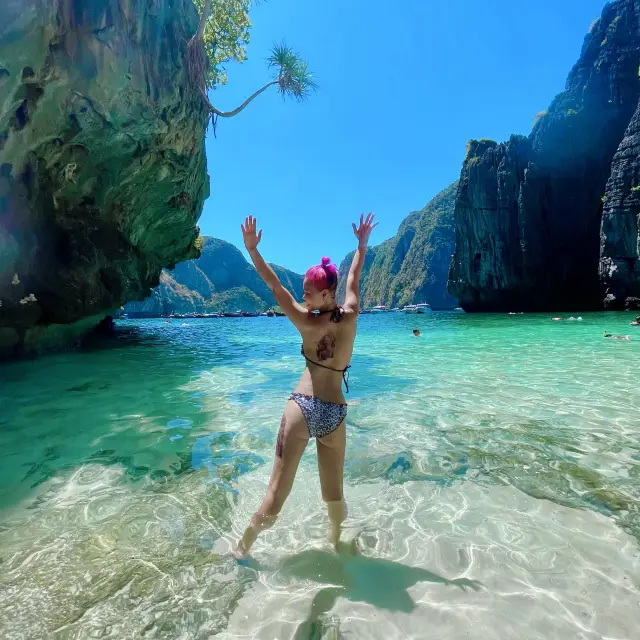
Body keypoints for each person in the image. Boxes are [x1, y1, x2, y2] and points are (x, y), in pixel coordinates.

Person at [234, 213, 378, 558]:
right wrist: (361, 245)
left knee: (275, 494)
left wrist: (253, 251)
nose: (304, 298)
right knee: (335, 496)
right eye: (303, 293)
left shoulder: (303, 321)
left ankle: (242, 549)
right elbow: (355, 276)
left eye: (309, 293)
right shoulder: (353, 313)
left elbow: (274, 287)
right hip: (334, 414)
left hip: (302, 407)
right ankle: (336, 543)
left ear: (327, 292)